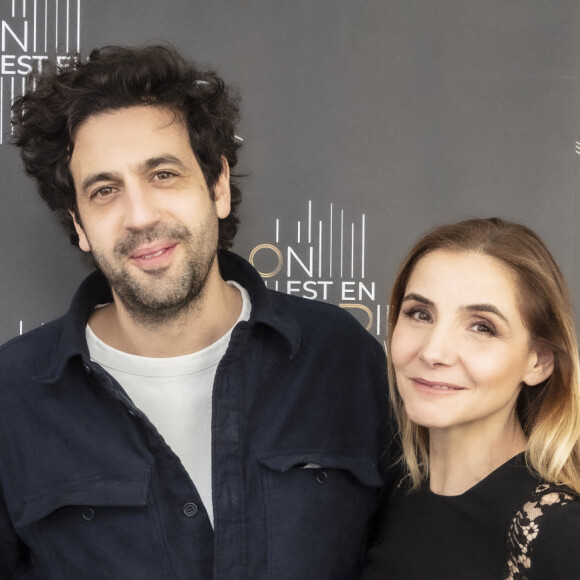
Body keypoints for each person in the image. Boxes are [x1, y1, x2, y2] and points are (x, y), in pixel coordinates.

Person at [1, 45, 391, 579]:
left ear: (218, 186)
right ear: (78, 224)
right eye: (104, 190)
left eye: (163, 174)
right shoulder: (12, 396)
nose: (139, 215)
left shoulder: (341, 357)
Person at [361, 217, 580, 579]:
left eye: (482, 326)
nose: (433, 352)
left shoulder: (560, 532)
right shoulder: (387, 496)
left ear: (539, 361)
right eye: (420, 314)